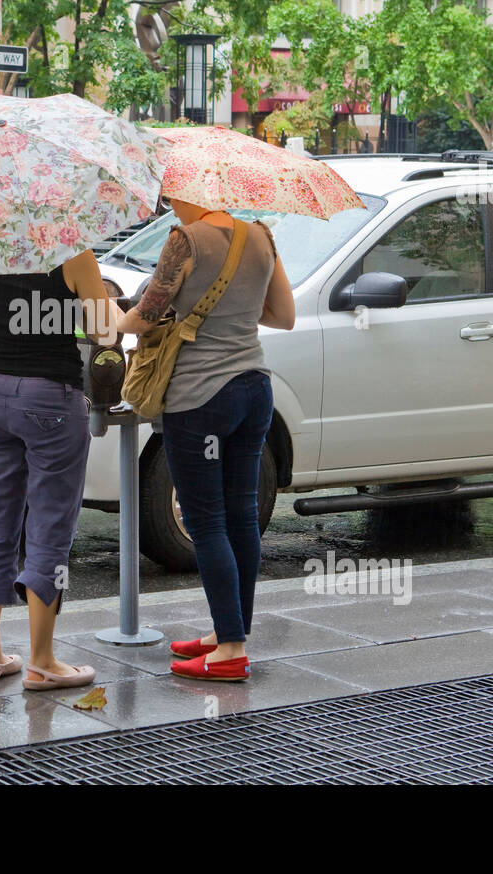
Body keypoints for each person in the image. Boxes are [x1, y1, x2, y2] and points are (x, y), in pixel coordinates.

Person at [117, 199, 295, 682]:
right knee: (242, 515)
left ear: (193, 192)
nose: (170, 202)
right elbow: (284, 316)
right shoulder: (260, 234)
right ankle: (228, 633)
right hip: (254, 386)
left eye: (173, 192)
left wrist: (113, 323)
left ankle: (231, 650)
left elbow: (146, 315)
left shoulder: (186, 239)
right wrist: (230, 309)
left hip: (200, 396)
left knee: (206, 521)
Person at [0, 250, 118, 689]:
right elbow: (104, 332)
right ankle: (42, 661)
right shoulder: (74, 255)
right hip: (51, 400)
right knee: (50, 526)